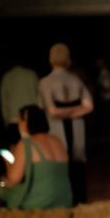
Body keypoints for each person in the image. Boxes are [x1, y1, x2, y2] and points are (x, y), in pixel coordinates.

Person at [38, 43, 93, 205]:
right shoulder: (75, 79)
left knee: (62, 164)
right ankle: (80, 201)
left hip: (57, 129)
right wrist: (74, 111)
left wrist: (63, 113)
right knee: (78, 164)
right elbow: (89, 106)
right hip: (76, 126)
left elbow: (52, 111)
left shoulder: (45, 82)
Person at [0, 105, 73, 210]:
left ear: (25, 122)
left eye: (19, 120)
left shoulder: (25, 144)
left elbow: (13, 179)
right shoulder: (57, 141)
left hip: (41, 201)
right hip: (64, 198)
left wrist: (5, 170)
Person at [0, 55, 39, 146]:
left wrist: (7, 121)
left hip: (14, 120)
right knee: (34, 148)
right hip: (31, 119)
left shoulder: (7, 77)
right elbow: (39, 97)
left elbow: (4, 103)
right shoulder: (32, 75)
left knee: (16, 150)